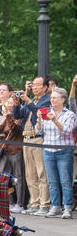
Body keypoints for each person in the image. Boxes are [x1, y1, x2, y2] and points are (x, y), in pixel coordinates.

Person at [16, 76, 51, 214]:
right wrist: (16, 103)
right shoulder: (31, 100)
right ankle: (34, 203)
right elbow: (19, 115)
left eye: (37, 85)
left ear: (45, 87)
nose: (34, 87)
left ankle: (44, 204)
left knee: (41, 172)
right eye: (33, 85)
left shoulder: (47, 100)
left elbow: (39, 114)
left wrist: (29, 101)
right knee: (30, 174)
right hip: (26, 138)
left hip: (38, 139)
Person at [40, 88, 76, 218]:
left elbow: (66, 131)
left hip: (64, 151)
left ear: (63, 99)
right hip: (48, 151)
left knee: (65, 181)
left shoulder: (70, 114)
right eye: (51, 98)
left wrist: (55, 120)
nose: (52, 100)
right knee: (52, 181)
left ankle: (67, 207)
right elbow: (40, 131)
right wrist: (39, 120)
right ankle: (55, 206)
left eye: (55, 97)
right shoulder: (47, 112)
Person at [0, 90, 28, 212]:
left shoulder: (19, 115)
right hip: (5, 151)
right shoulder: (6, 117)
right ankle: (9, 202)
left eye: (12, 103)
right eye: (8, 103)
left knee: (19, 177)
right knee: (3, 177)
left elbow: (16, 129)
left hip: (17, 151)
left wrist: (8, 115)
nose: (9, 105)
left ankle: (20, 203)